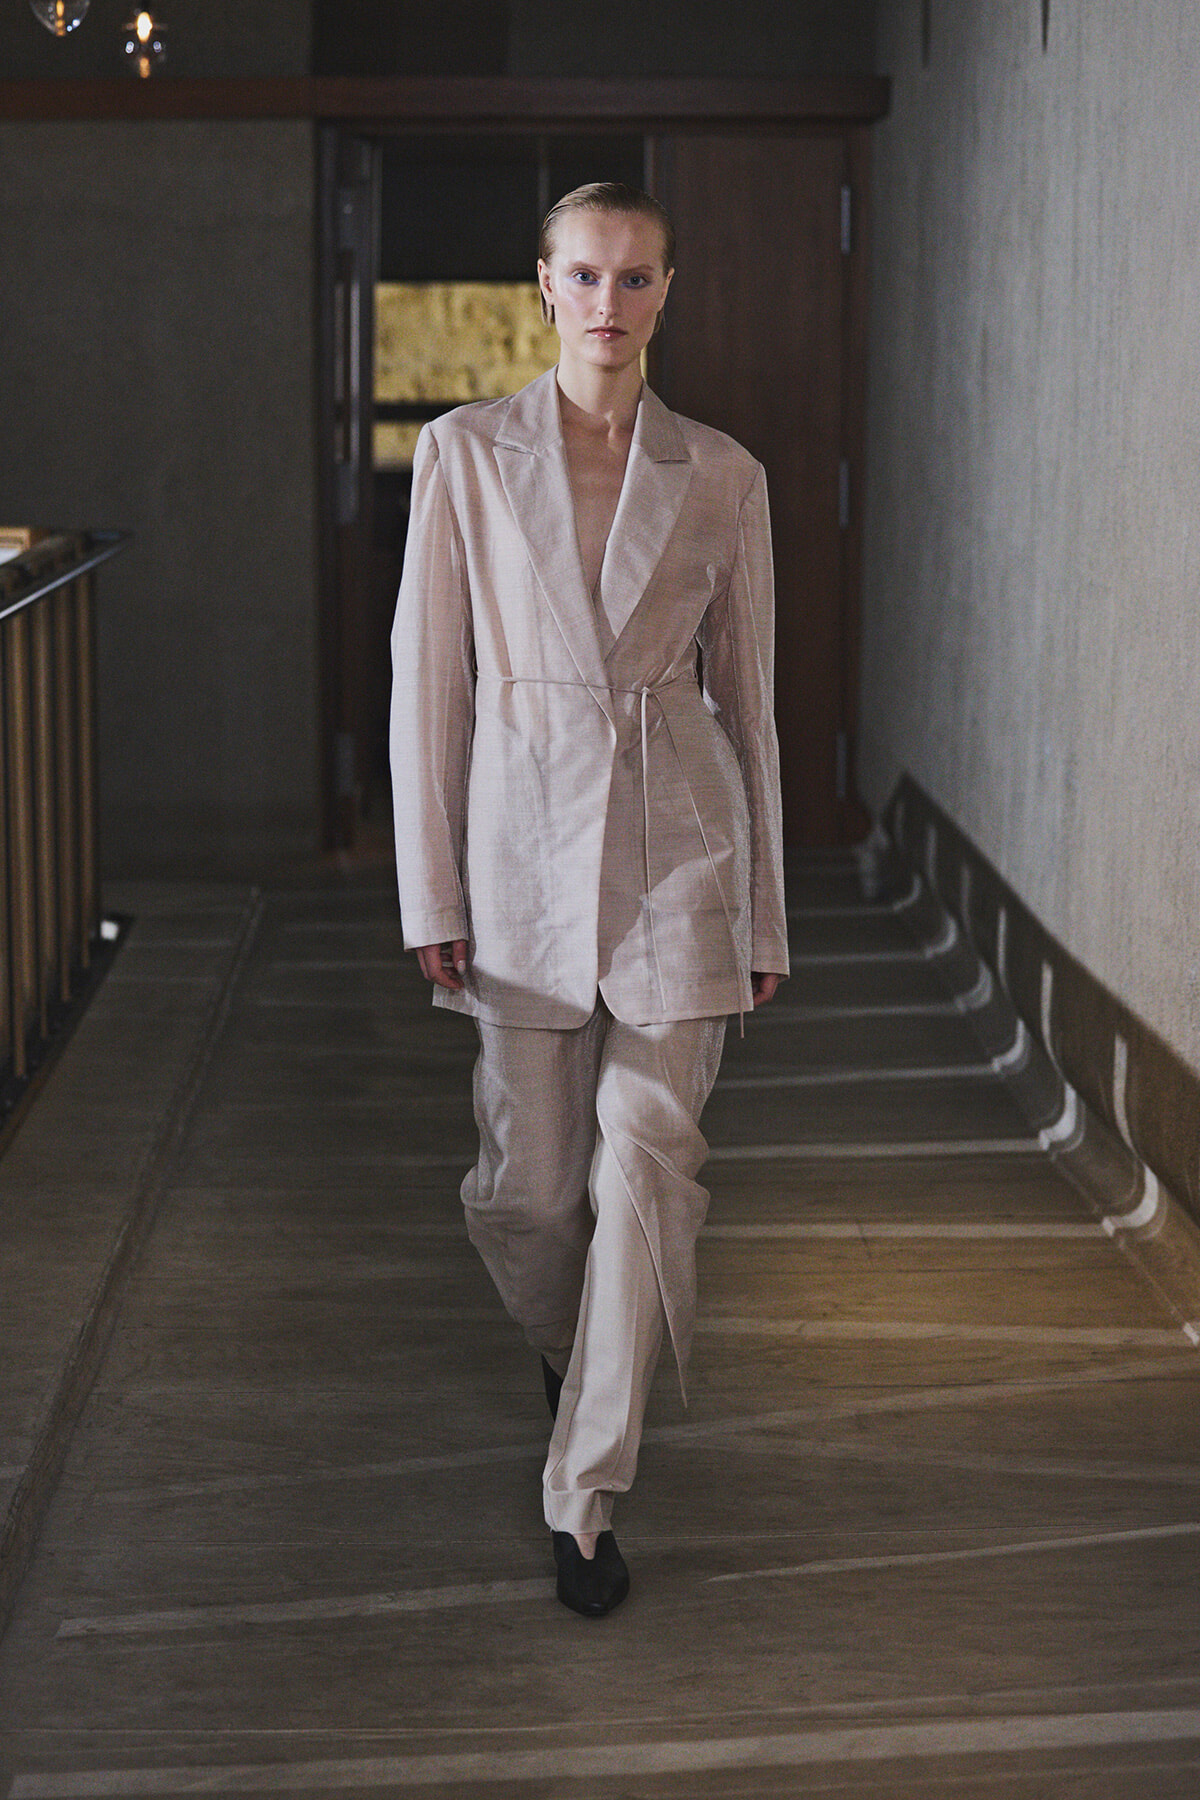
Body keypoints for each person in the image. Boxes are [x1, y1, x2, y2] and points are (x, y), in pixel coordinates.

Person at [390, 182, 788, 1617]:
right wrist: (430, 886)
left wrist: (765, 913)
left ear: (666, 291)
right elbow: (428, 683)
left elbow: (751, 704)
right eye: (585, 275)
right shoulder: (465, 454)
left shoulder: (723, 473)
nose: (608, 303)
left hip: (683, 846)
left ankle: (586, 1493)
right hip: (520, 860)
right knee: (532, 1195)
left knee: (644, 1162)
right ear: (545, 286)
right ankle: (573, 1355)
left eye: (635, 277)